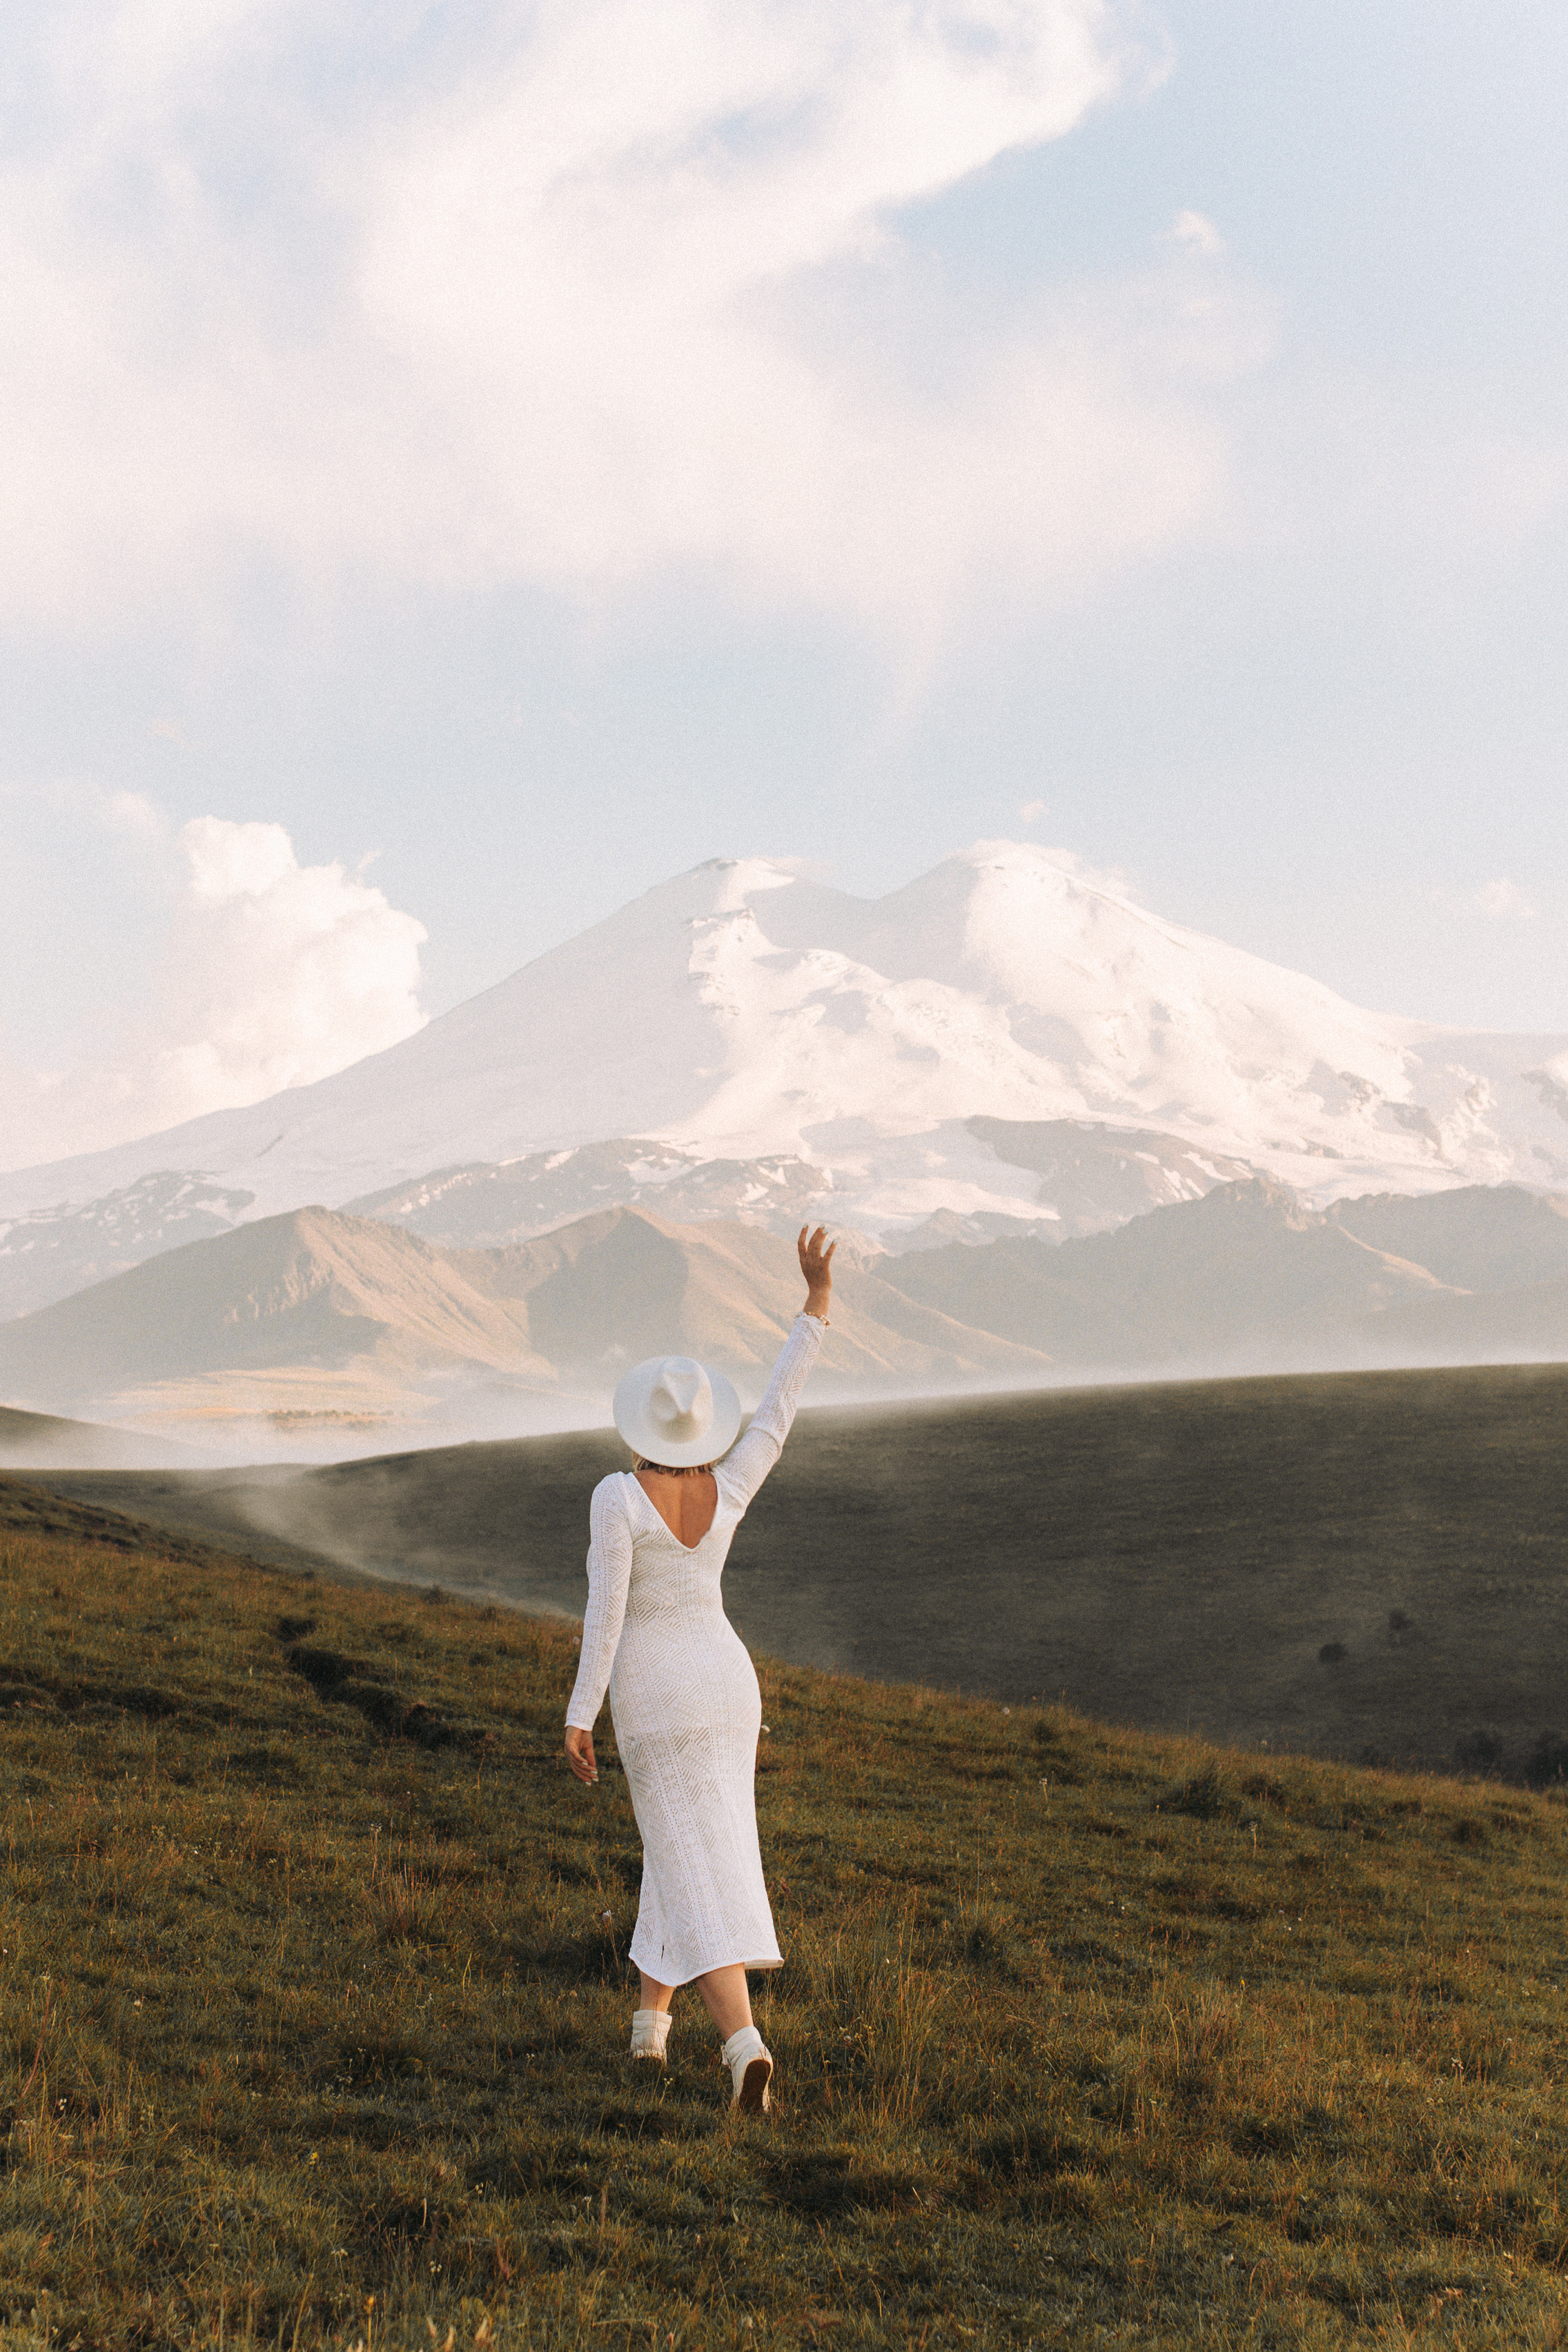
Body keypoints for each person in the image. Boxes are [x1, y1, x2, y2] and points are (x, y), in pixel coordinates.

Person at [563, 1225, 835, 2113]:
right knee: (686, 1846)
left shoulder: (617, 1496)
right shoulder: (733, 1482)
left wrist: (579, 1712)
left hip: (654, 1691)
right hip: (725, 1684)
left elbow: (607, 1613)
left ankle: (743, 2045)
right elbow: (778, 1414)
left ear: (641, 1423)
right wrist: (817, 1304)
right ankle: (649, 2031)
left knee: (690, 1858)